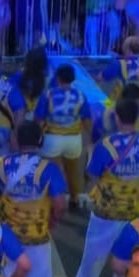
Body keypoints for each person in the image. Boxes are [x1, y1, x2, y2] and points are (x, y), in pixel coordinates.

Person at [70, 99, 139, 277]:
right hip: (136, 209)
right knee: (129, 251)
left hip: (107, 209)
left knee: (95, 251)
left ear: (118, 118)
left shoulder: (106, 145)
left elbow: (92, 174)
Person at [0, 120, 67, 277]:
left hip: (7, 237)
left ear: (16, 140)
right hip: (37, 238)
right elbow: (60, 204)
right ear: (40, 141)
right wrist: (53, 221)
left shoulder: (1, 164)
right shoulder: (49, 168)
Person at [33, 63, 89, 208]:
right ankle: (75, 198)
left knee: (51, 171)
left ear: (58, 78)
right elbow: (87, 119)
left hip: (52, 137)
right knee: (73, 171)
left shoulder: (48, 94)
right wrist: (90, 138)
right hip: (74, 138)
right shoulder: (81, 95)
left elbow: (39, 118)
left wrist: (37, 137)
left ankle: (52, 200)